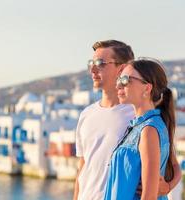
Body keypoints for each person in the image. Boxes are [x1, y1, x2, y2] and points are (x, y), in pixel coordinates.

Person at [73, 40, 181, 200]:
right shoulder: (86, 115)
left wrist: (166, 187)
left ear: (122, 68)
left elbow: (170, 163)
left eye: (100, 63)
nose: (93, 68)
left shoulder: (140, 117)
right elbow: (82, 169)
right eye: (92, 62)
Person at [104, 58, 178, 200]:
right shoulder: (142, 126)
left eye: (125, 80)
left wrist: (167, 187)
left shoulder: (148, 130)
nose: (118, 85)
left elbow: (148, 196)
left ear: (147, 88)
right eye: (119, 79)